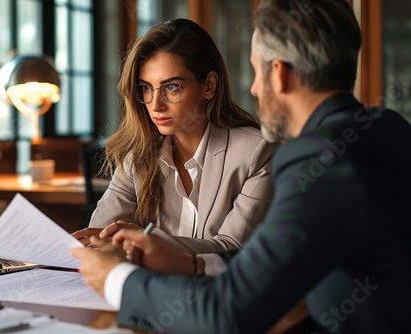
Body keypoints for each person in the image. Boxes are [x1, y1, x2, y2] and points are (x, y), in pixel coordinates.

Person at [71, 0, 411, 333]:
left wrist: (119, 280)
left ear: (278, 74)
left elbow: (226, 314)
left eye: (257, 70)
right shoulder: (388, 127)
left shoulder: (320, 159)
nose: (254, 88)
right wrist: (189, 262)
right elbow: (275, 260)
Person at [72, 18, 277, 254]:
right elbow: (100, 239)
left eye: (171, 87)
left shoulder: (256, 152)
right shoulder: (136, 156)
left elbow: (230, 250)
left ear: (209, 86)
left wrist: (147, 240)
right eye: (146, 88)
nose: (155, 105)